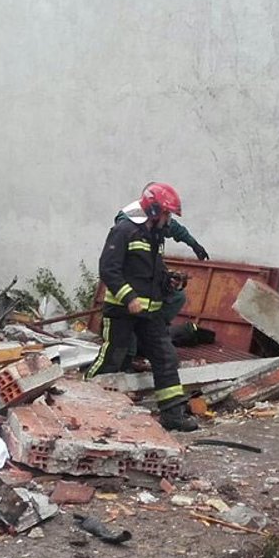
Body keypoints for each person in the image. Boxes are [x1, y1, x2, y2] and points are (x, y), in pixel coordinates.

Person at [86, 182, 198, 432]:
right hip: (121, 312)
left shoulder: (155, 235)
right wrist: (129, 298)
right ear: (155, 210)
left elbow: (147, 270)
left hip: (151, 313)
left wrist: (166, 280)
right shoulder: (124, 230)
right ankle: (81, 400)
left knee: (166, 359)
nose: (169, 219)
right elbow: (109, 269)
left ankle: (172, 415)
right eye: (167, 214)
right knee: (112, 358)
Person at [113, 184, 210, 346]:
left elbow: (177, 230)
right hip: (132, 281)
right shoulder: (128, 226)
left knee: (177, 297)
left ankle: (153, 331)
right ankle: (139, 338)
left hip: (149, 276)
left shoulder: (158, 220)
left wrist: (194, 245)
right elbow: (117, 265)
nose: (168, 219)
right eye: (166, 213)